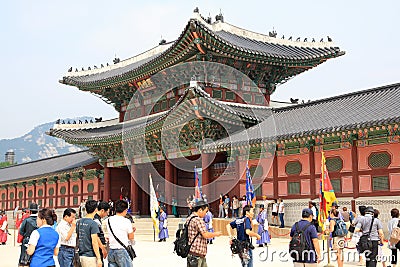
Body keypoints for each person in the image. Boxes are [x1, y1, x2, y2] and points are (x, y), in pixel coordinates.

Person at [186, 200, 222, 267]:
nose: (206, 214)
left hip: (192, 252)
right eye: (205, 211)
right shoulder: (198, 220)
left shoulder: (189, 218)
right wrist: (216, 234)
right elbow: (205, 234)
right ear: (200, 210)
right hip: (197, 254)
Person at [106, 199, 135, 267]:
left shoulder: (109, 220)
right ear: (125, 210)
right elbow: (131, 237)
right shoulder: (126, 221)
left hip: (111, 250)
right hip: (121, 250)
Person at [76, 199, 102, 267]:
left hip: (80, 255)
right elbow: (94, 242)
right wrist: (99, 258)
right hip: (90, 256)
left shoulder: (79, 222)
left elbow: (77, 237)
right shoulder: (93, 224)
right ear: (96, 209)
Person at [19, 203, 39, 267]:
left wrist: (26, 235)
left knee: (24, 258)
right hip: (37, 241)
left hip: (27, 240)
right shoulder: (39, 220)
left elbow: (21, 231)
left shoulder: (26, 220)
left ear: (30, 211)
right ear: (37, 211)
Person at [94, 201, 110, 266]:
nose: (107, 214)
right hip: (98, 248)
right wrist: (103, 248)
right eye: (107, 212)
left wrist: (103, 238)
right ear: (102, 210)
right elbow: (95, 236)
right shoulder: (96, 220)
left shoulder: (98, 218)